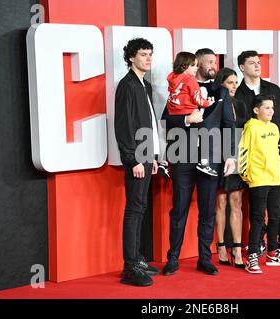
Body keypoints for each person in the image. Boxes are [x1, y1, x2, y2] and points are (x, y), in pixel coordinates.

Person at [161, 48, 237, 276]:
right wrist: (185, 119)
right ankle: (172, 259)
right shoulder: (179, 86)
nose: (214, 65)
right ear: (197, 64)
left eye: (215, 61)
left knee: (207, 211)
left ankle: (205, 258)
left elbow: (228, 125)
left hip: (211, 159)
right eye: (209, 62)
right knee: (179, 210)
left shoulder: (221, 91)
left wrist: (231, 155)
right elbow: (166, 121)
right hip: (183, 156)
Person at [235, 50, 280, 256]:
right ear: (242, 67)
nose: (257, 65)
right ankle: (259, 243)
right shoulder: (237, 95)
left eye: (259, 62)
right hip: (254, 163)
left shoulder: (274, 90)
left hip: (276, 160)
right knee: (256, 206)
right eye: (252, 63)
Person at [115, 38, 160, 287]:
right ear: (132, 58)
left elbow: (149, 124)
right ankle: (130, 266)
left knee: (140, 208)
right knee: (134, 209)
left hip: (146, 156)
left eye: (150, 54)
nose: (148, 58)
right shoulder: (127, 85)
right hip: (135, 158)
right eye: (143, 54)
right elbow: (124, 126)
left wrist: (152, 156)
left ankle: (137, 259)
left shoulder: (145, 85)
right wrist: (132, 159)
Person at [239, 94, 280, 274]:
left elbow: (274, 152)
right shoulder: (250, 127)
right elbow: (243, 152)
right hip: (258, 179)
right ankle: (253, 255)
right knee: (257, 219)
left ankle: (273, 253)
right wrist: (247, 175)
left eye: (272, 108)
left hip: (275, 179)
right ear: (256, 110)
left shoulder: (274, 128)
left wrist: (278, 173)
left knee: (275, 217)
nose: (271, 111)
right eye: (267, 108)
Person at [213, 68, 250, 268]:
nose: (234, 86)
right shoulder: (215, 105)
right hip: (219, 158)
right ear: (221, 84)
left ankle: (236, 248)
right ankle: (220, 246)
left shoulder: (241, 105)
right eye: (230, 83)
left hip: (238, 158)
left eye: (236, 82)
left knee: (236, 202)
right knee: (221, 203)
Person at [159, 51, 216, 177]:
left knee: (168, 135)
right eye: (194, 65)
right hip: (187, 111)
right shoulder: (191, 80)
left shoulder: (172, 77)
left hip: (174, 109)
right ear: (185, 66)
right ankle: (204, 163)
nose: (197, 67)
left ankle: (163, 162)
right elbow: (198, 99)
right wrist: (207, 103)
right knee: (204, 132)